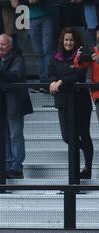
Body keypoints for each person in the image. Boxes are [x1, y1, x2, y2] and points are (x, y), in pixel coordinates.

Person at [0, 34, 33, 179]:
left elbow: (15, 76)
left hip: (14, 103)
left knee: (15, 135)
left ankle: (16, 167)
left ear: (10, 46)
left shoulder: (18, 58)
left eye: (3, 45)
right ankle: (5, 166)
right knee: (2, 136)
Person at [50, 27, 93, 179]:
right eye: (66, 40)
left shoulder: (81, 54)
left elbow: (78, 75)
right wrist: (52, 82)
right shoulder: (56, 56)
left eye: (71, 40)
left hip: (80, 102)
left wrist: (61, 81)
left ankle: (84, 171)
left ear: (76, 41)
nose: (68, 42)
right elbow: (51, 73)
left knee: (83, 135)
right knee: (68, 137)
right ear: (62, 40)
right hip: (63, 102)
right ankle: (79, 161)